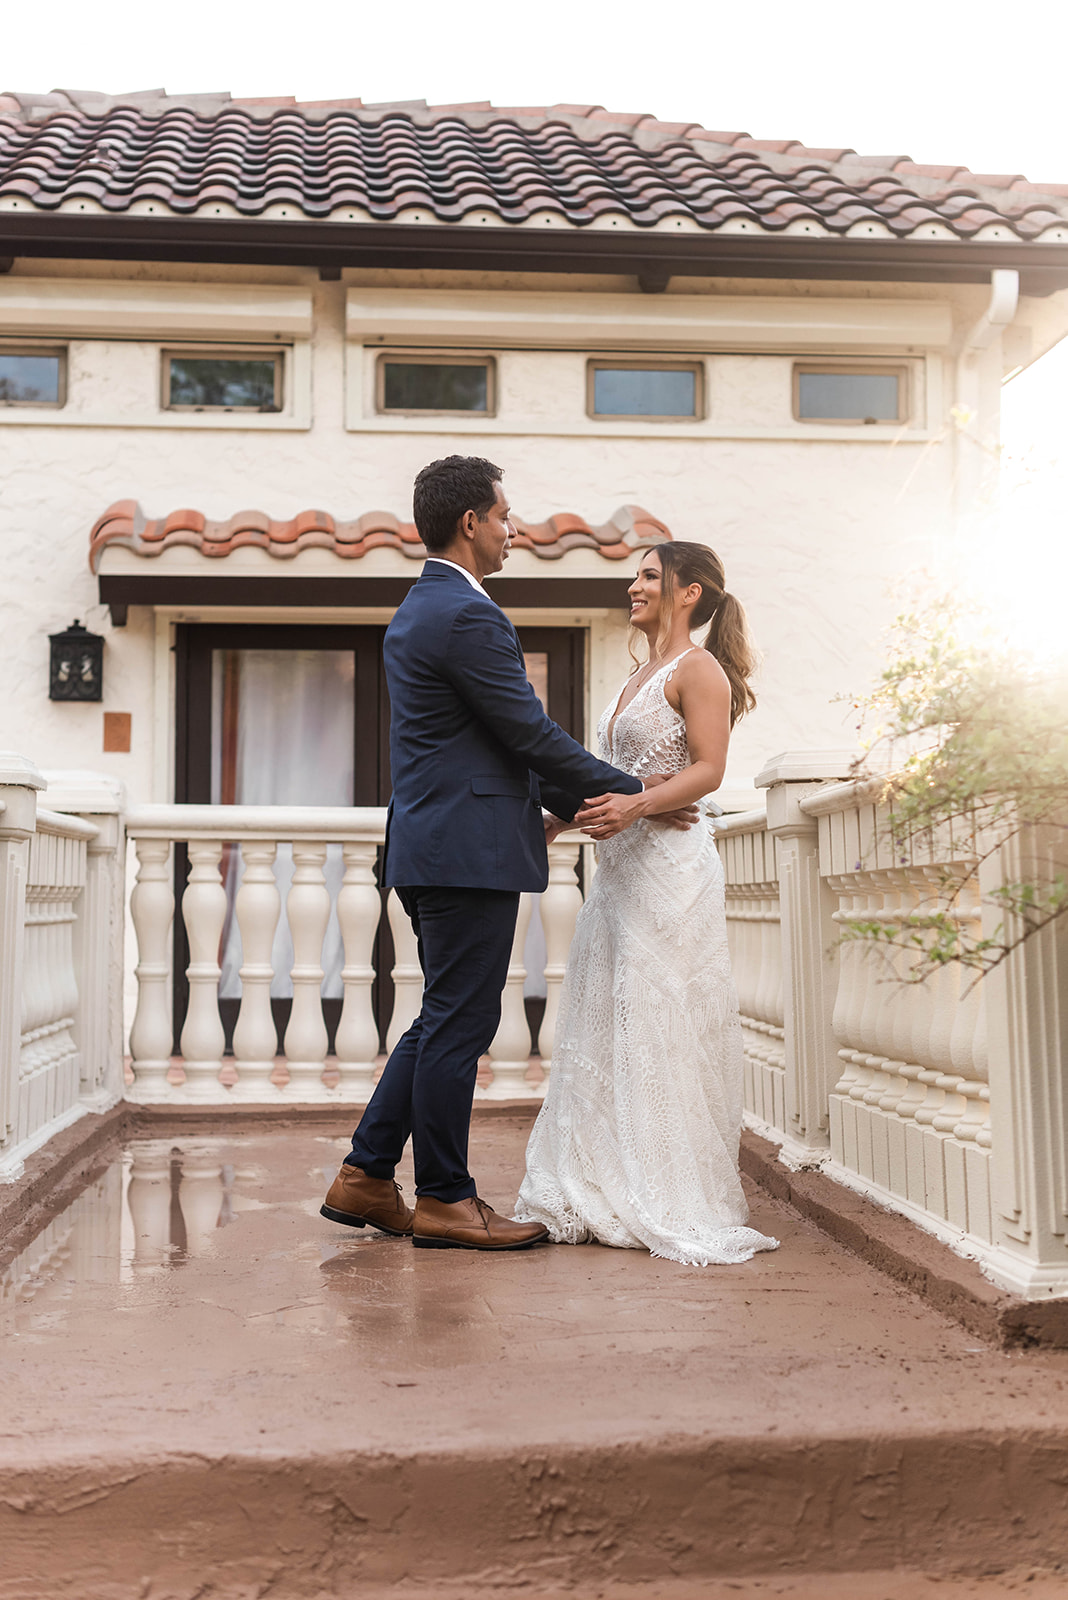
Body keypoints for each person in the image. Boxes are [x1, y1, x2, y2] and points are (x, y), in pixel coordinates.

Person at [321, 456, 689, 1252]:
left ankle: (366, 1176)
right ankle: (447, 1199)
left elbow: (487, 740)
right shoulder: (465, 614)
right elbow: (525, 731)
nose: (512, 527)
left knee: (439, 1020)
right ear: (471, 524)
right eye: (503, 514)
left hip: (438, 844)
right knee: (460, 1023)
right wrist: (637, 791)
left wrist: (569, 806)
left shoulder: (423, 608)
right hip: (464, 851)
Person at [516, 542, 780, 1265]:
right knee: (609, 1017)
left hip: (670, 871)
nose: (632, 586)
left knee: (660, 1017)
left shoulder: (699, 669)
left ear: (689, 593)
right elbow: (621, 777)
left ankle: (668, 1191)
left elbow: (708, 769)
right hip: (621, 872)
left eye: (648, 576)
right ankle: (599, 1177)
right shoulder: (637, 675)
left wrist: (639, 809)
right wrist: (561, 819)